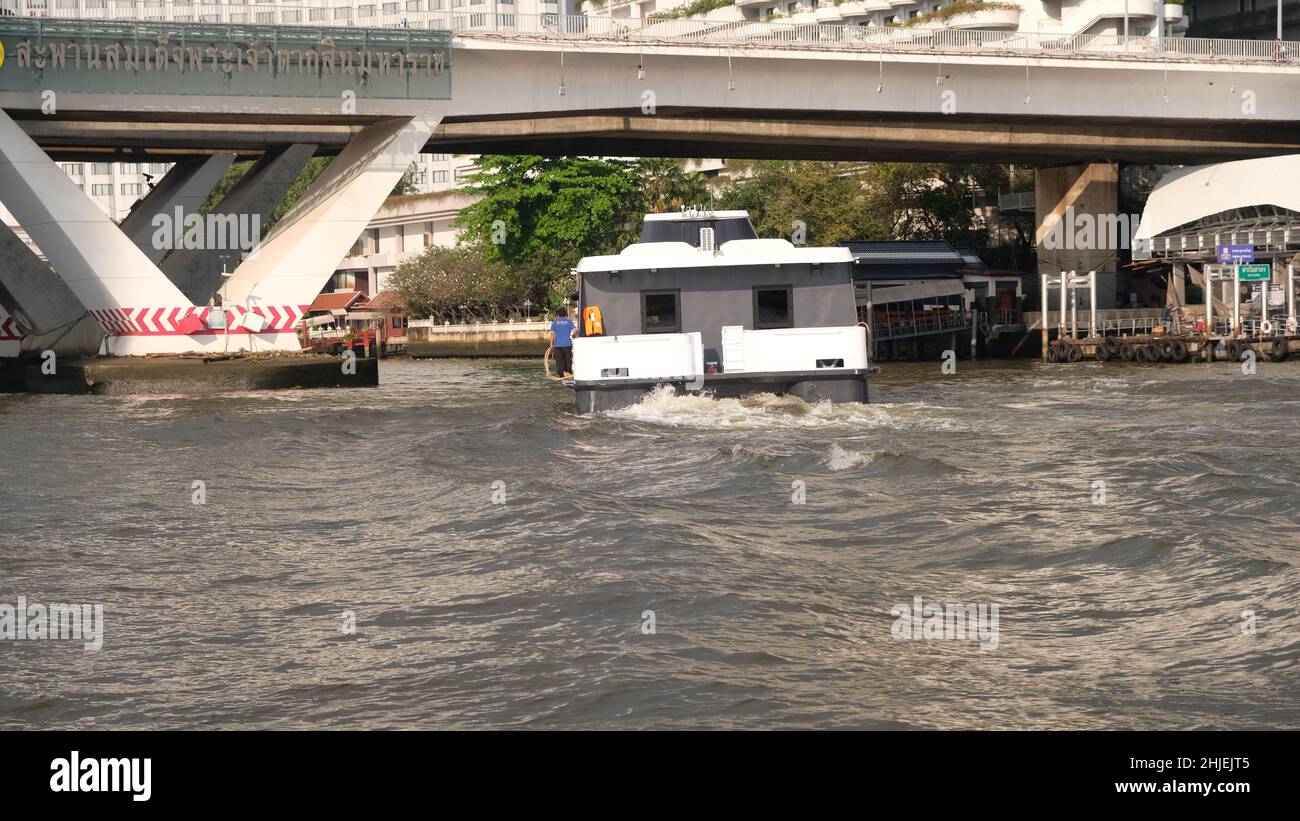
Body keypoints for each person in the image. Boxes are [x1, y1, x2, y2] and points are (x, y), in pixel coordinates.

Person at [549, 307, 577, 379]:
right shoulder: (569, 321)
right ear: (565, 314)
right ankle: (569, 374)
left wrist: (551, 345)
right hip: (567, 344)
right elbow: (575, 331)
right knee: (568, 360)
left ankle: (561, 375)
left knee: (559, 361)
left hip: (557, 345)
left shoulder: (555, 322)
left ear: (558, 314)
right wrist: (573, 336)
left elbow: (552, 335)